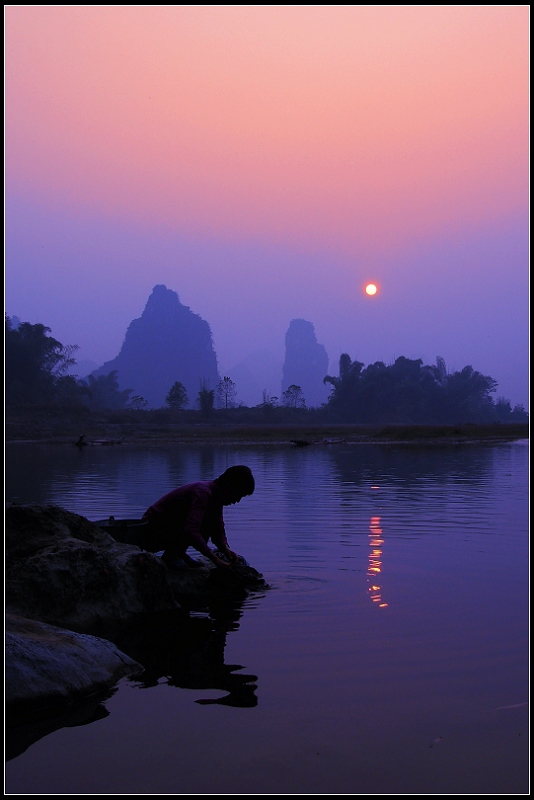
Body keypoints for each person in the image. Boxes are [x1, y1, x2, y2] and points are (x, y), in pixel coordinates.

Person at [141, 465, 255, 570]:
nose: (237, 501)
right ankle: (173, 556)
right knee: (197, 525)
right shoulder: (203, 492)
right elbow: (191, 530)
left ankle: (178, 554)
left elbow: (218, 528)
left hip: (167, 529)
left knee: (208, 523)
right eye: (239, 495)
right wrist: (214, 559)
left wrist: (226, 550)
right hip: (151, 530)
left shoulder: (216, 498)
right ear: (230, 486)